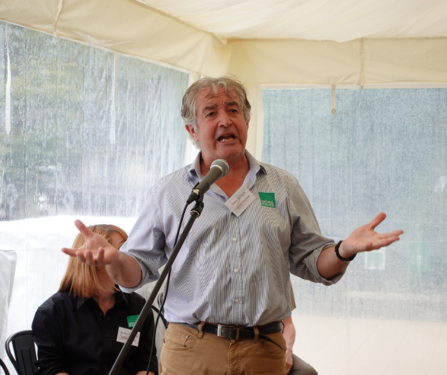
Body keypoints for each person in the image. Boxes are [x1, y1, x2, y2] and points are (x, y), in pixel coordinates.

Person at [62, 76, 403, 375]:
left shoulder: (282, 186)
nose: (225, 119)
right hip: (191, 349)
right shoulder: (169, 192)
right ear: (191, 130)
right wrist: (114, 260)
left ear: (247, 121)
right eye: (211, 112)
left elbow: (314, 261)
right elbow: (138, 270)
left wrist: (343, 250)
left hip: (263, 349)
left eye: (233, 109)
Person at [33, 224, 158, 375]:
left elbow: (146, 364)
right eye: (121, 252)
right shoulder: (52, 313)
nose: (127, 260)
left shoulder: (139, 308)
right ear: (94, 259)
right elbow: (51, 368)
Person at [283, 283, 317, 375]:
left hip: (274, 343)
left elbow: (288, 323)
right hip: (248, 342)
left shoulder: (281, 275)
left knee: (306, 372)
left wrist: (288, 351)